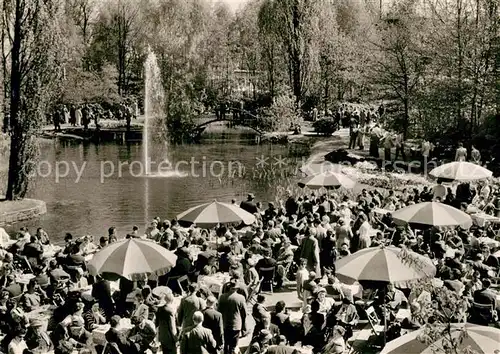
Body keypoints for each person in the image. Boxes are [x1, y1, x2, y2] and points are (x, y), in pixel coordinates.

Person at [218, 281, 247, 354]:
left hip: (225, 324)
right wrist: (244, 325)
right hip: (236, 324)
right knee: (233, 346)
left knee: (226, 343)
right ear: (237, 288)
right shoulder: (241, 298)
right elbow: (244, 313)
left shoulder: (222, 297)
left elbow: (219, 311)